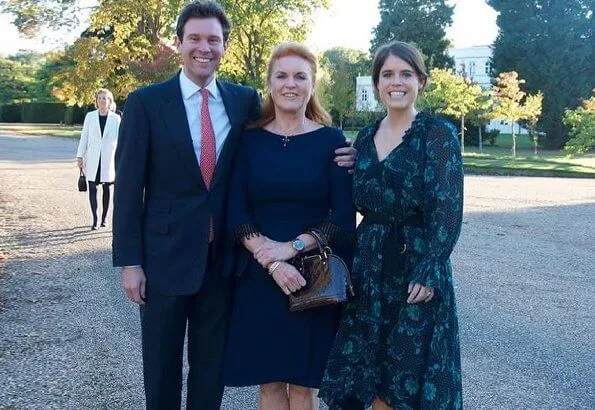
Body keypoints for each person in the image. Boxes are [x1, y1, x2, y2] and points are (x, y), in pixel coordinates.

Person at [112, 2, 356, 409]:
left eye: (213, 39)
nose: (204, 47)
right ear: (179, 44)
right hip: (164, 258)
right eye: (195, 38)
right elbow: (128, 188)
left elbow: (289, 155)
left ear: (224, 46)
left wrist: (354, 154)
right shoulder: (146, 103)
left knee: (211, 369)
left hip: (224, 263)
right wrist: (130, 262)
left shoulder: (242, 102)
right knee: (161, 367)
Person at [319, 41, 464, 410]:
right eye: (387, 75)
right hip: (369, 269)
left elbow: (447, 210)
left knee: (403, 384)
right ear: (377, 83)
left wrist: (430, 270)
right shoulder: (365, 138)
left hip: (416, 271)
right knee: (365, 376)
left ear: (421, 81)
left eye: (405, 74)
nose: (396, 82)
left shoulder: (438, 135)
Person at [223, 42, 356, 410]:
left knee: (302, 388)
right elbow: (236, 211)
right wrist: (271, 260)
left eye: (300, 76)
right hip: (259, 274)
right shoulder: (248, 140)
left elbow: (343, 217)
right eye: (282, 75)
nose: (290, 84)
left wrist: (292, 249)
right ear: (269, 83)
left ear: (313, 85)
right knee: (269, 385)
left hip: (314, 277)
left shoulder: (332, 141)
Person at [76, 88, 121, 230]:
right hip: (93, 156)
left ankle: (104, 218)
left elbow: (120, 140)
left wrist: (121, 159)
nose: (102, 100)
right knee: (92, 187)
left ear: (109, 101)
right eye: (99, 98)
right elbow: (84, 137)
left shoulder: (116, 118)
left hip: (108, 157)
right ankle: (95, 219)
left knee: (107, 188)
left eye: (105, 98)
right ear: (96, 101)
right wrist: (80, 156)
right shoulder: (90, 116)